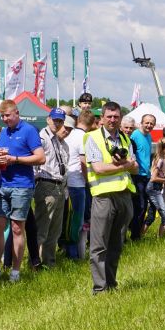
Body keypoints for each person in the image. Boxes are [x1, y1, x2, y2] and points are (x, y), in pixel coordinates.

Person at [84, 101, 138, 294]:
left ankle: (111, 283)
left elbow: (136, 167)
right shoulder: (92, 138)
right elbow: (98, 168)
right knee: (99, 246)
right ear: (102, 118)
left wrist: (126, 163)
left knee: (116, 243)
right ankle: (99, 288)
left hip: (124, 194)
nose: (113, 120)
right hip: (104, 196)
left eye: (116, 117)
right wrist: (124, 165)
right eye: (109, 117)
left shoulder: (124, 139)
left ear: (120, 119)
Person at [0, 100, 45, 282]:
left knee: (17, 228)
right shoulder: (4, 132)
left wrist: (16, 159)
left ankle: (15, 271)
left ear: (17, 113)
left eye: (7, 116)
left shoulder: (29, 130)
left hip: (21, 185)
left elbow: (40, 158)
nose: (5, 119)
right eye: (2, 116)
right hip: (2, 184)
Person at [34, 108, 70, 267]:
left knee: (55, 228)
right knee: (43, 226)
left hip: (59, 185)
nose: (57, 123)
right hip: (46, 183)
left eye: (60, 121)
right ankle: (35, 262)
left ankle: (49, 261)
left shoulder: (57, 140)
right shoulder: (42, 137)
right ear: (48, 119)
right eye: (55, 120)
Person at [64, 110, 92, 259]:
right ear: (91, 124)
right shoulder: (84, 137)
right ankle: (73, 254)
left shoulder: (69, 134)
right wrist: (88, 180)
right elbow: (83, 162)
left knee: (66, 218)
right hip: (77, 183)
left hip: (66, 181)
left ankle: (67, 249)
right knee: (77, 219)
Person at [129, 114, 155, 240]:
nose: (149, 125)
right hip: (137, 175)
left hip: (146, 175)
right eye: (147, 123)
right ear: (141, 122)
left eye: (151, 123)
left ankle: (137, 232)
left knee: (143, 206)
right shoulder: (135, 135)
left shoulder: (149, 136)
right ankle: (135, 235)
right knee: (139, 206)